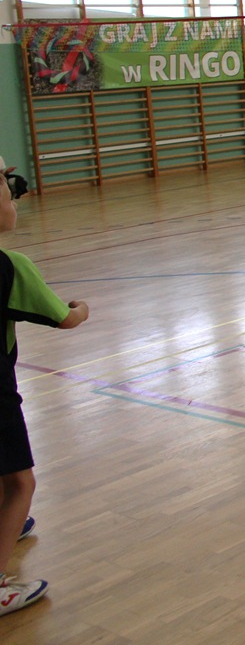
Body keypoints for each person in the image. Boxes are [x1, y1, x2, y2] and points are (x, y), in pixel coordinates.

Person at [0, 159, 89, 617]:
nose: (13, 195)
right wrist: (82, 307)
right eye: (4, 185)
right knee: (20, 482)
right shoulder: (11, 267)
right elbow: (65, 318)